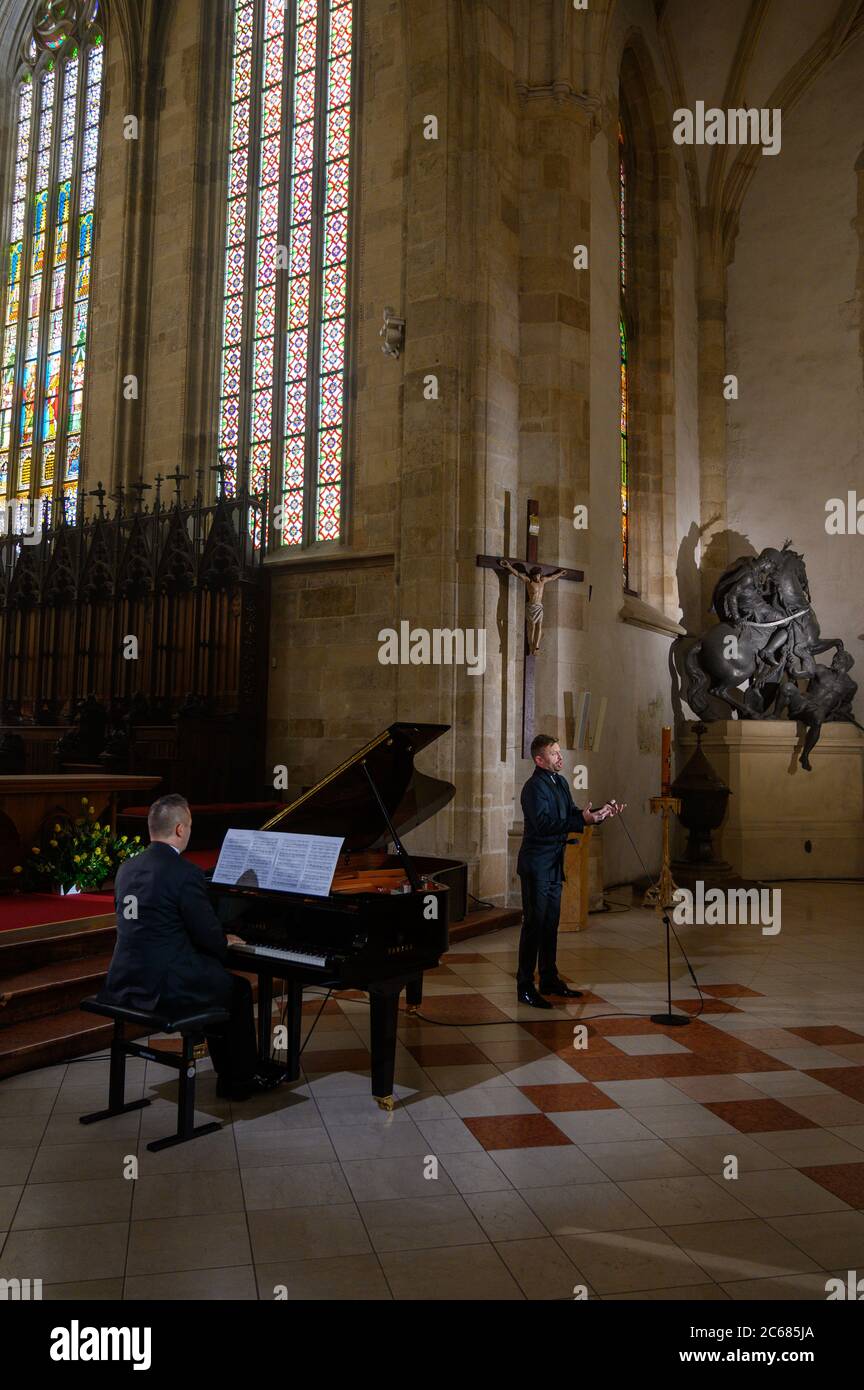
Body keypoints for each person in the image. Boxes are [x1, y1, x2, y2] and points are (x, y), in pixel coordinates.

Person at [102, 793, 287, 1099]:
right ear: (179, 830)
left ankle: (234, 1072)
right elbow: (208, 935)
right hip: (163, 986)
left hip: (124, 978)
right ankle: (237, 1081)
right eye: (188, 825)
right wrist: (222, 940)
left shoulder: (127, 869)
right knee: (236, 989)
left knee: (217, 981)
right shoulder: (184, 873)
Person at [516, 734, 624, 1008]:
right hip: (537, 865)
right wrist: (581, 820)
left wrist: (599, 814)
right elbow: (543, 824)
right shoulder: (533, 787)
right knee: (534, 926)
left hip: (553, 865)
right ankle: (525, 985)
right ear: (539, 759)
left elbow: (572, 815)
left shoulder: (560, 782)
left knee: (551, 924)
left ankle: (549, 978)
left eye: (559, 751)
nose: (559, 757)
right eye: (553, 753)